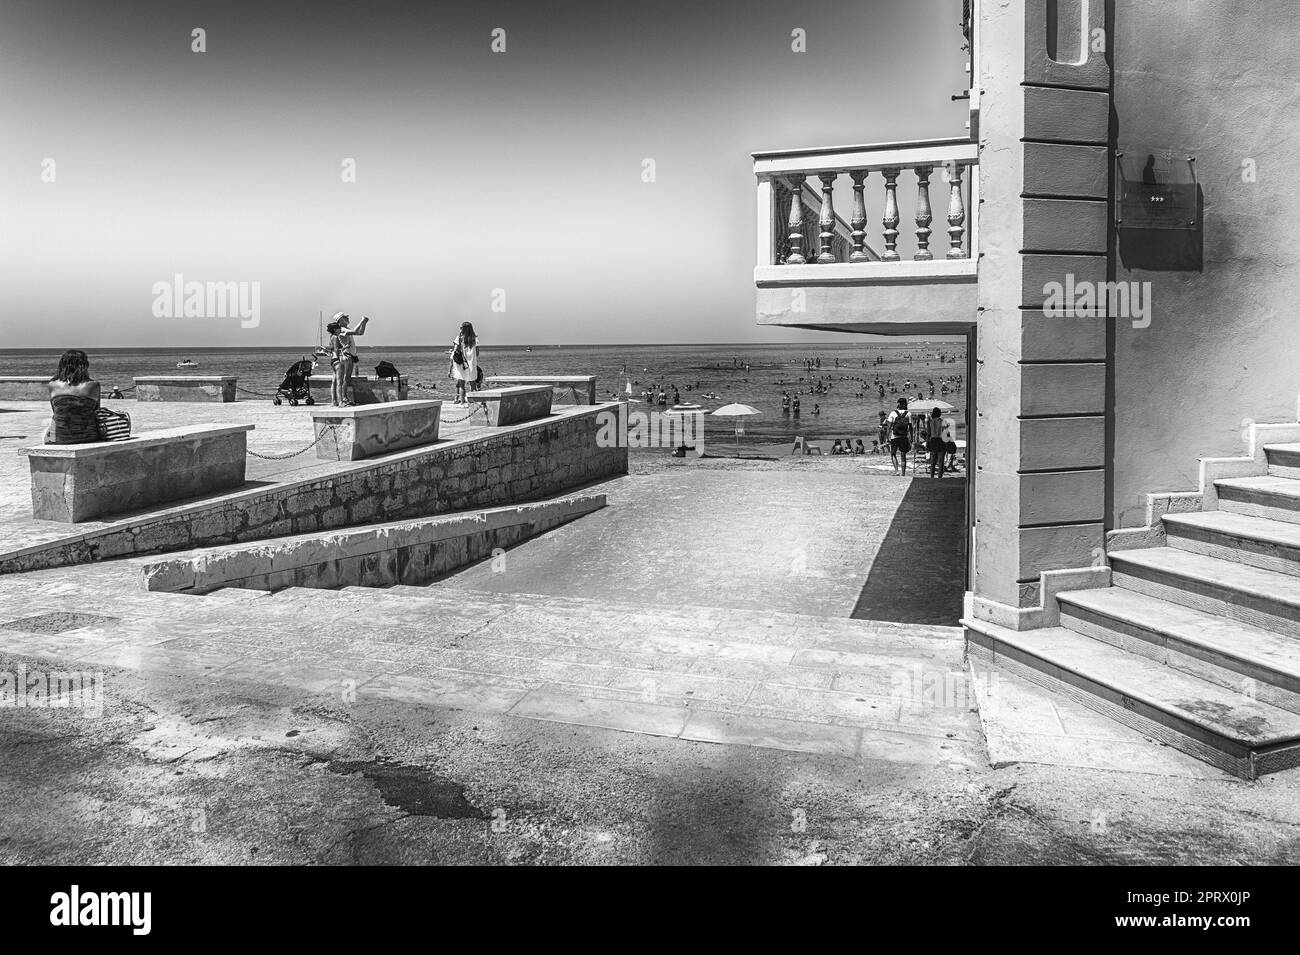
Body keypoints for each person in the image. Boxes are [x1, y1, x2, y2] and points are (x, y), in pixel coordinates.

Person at [45, 349, 101, 444]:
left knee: (46, 433)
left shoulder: (52, 385)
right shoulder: (93, 385)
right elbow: (96, 412)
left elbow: (56, 412)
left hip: (60, 437)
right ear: (84, 365)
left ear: (62, 365)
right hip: (89, 436)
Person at [327, 312, 371, 406]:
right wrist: (362, 321)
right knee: (345, 379)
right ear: (341, 320)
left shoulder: (344, 329)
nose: (347, 318)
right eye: (345, 317)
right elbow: (356, 331)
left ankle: (335, 401)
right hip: (346, 356)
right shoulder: (342, 329)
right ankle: (343, 399)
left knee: (336, 380)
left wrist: (364, 323)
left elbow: (360, 332)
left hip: (340, 357)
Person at [448, 321, 480, 404]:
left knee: (461, 385)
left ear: (464, 329)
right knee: (473, 384)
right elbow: (477, 353)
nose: (460, 329)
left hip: (461, 363)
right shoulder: (474, 339)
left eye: (461, 327)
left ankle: (462, 403)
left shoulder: (459, 338)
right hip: (471, 364)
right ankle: (474, 403)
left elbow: (455, 350)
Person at [886, 397, 911, 476]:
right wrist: (911, 439)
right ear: (905, 404)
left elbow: (889, 427)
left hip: (895, 437)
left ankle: (897, 471)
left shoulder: (893, 413)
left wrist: (887, 437)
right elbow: (911, 428)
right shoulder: (908, 413)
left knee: (893, 454)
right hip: (904, 437)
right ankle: (903, 474)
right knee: (903, 455)